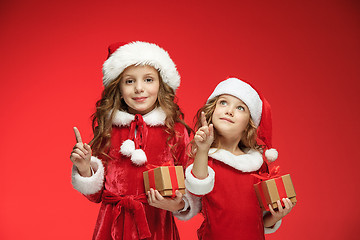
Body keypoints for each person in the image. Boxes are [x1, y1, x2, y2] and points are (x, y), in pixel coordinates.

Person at [70, 41, 198, 240]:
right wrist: (85, 168)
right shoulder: (108, 130)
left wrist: (179, 205)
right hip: (113, 226)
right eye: (129, 81)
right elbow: (95, 195)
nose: (139, 88)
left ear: (161, 84)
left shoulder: (176, 130)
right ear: (118, 88)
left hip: (158, 226)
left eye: (148, 80)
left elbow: (191, 184)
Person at [184, 77, 296, 239]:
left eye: (240, 108)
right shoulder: (206, 158)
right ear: (212, 110)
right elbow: (198, 187)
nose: (229, 111)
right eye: (223, 102)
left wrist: (277, 215)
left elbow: (259, 221)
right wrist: (203, 149)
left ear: (249, 124)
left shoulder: (257, 165)